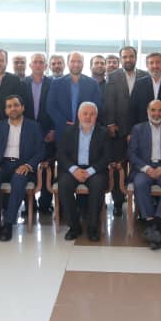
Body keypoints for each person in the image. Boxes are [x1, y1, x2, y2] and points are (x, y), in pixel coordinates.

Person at [0, 94, 45, 241]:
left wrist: (28, 165)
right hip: (2, 164)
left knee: (19, 180)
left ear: (22, 108)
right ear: (5, 110)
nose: (13, 109)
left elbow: (41, 151)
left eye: (16, 105)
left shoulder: (34, 127)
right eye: (9, 106)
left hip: (22, 165)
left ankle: (8, 224)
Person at [128, 100, 161, 250]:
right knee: (140, 183)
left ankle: (154, 224)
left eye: (160, 110)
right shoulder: (138, 129)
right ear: (148, 112)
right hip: (144, 169)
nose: (156, 114)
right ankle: (154, 225)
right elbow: (131, 153)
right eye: (153, 110)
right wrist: (146, 168)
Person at [102, 46, 148, 215]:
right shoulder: (112, 76)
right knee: (117, 167)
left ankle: (139, 202)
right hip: (118, 129)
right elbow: (108, 101)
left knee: (138, 166)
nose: (128, 59)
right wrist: (110, 123)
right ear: (121, 59)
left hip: (140, 130)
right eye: (125, 57)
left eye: (131, 56)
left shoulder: (145, 75)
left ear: (136, 57)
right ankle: (118, 202)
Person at [58, 102, 109, 242]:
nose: (88, 117)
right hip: (73, 169)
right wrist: (74, 170)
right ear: (78, 115)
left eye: (92, 114)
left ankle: (92, 227)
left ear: (96, 116)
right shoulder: (68, 131)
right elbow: (61, 154)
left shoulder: (103, 132)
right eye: (85, 114)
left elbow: (107, 157)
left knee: (98, 185)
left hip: (95, 170)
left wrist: (90, 171)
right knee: (64, 185)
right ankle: (74, 227)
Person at [22, 53, 55, 214]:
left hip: (48, 132)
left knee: (48, 167)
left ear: (45, 66)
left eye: (41, 62)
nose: (38, 65)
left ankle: (45, 203)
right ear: (30, 65)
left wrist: (54, 129)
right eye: (35, 62)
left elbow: (56, 107)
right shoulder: (22, 83)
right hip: (27, 133)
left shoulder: (53, 84)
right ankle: (30, 203)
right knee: (27, 167)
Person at [46, 52, 102, 133]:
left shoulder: (93, 83)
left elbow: (97, 106)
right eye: (73, 61)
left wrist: (84, 121)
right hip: (63, 129)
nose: (76, 64)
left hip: (86, 129)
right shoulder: (56, 83)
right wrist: (64, 122)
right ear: (67, 63)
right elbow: (51, 107)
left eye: (79, 61)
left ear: (83, 63)